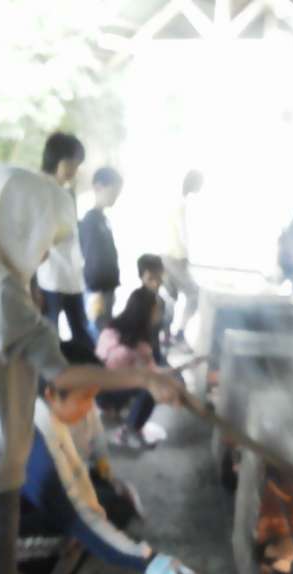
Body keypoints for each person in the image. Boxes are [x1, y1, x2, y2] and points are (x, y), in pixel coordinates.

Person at [0, 165, 184, 574]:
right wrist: (144, 377)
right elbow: (61, 374)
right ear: (19, 224)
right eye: (44, 238)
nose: (44, 253)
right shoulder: (3, 295)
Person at [12, 341, 192, 574]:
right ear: (51, 394)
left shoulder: (41, 410)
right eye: (84, 398)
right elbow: (78, 516)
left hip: (16, 508)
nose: (89, 408)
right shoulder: (37, 441)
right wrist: (146, 560)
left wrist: (107, 478)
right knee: (72, 534)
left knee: (101, 512)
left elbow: (80, 481)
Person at [37, 132, 93, 349]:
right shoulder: (39, 188)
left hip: (71, 277)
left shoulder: (64, 192)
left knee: (82, 335)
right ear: (58, 160)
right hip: (49, 279)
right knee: (49, 339)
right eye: (73, 163)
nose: (75, 170)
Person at [96, 287, 164, 448]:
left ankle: (112, 408)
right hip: (110, 390)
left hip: (95, 390)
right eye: (156, 310)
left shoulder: (110, 328)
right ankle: (129, 430)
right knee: (152, 388)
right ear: (147, 312)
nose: (159, 314)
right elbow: (153, 374)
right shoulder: (140, 344)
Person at [162, 169, 204, 348]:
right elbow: (184, 234)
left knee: (170, 297)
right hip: (175, 257)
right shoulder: (184, 203)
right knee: (194, 294)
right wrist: (189, 255)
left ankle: (166, 336)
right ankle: (178, 333)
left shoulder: (178, 201)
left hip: (168, 255)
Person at [79, 167, 123, 336]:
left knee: (104, 329)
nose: (115, 197)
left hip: (108, 286)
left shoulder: (103, 219)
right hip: (96, 288)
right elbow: (90, 257)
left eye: (117, 193)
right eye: (113, 192)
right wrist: (95, 287)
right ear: (98, 187)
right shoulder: (90, 221)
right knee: (98, 331)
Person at [137, 253, 169, 366]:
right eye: (150, 279)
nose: (155, 283)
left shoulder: (162, 302)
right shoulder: (136, 303)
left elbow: (160, 336)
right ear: (141, 277)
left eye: (159, 278)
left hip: (155, 356)